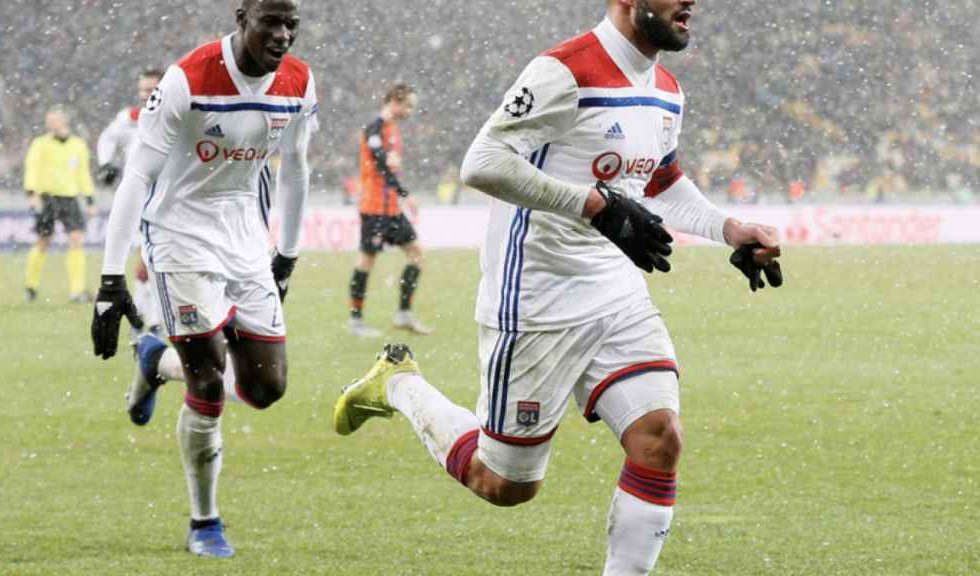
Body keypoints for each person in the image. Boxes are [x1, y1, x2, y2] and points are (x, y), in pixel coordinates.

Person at [333, 1, 783, 574]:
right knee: (503, 484)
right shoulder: (565, 70)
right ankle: (398, 384)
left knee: (660, 437)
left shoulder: (666, 87)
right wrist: (591, 204)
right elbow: (483, 162)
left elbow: (661, 183)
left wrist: (729, 228)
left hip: (616, 292)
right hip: (535, 298)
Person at [89, 0, 317, 559]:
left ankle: (153, 360)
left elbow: (297, 170)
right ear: (242, 18)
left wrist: (286, 255)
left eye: (292, 23)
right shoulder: (187, 77)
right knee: (208, 380)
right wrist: (111, 280)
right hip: (180, 236)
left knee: (266, 389)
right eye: (271, 21)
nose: (283, 34)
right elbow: (138, 174)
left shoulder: (299, 80)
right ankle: (204, 521)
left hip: (245, 238)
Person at [347, 83, 431, 337]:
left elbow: (389, 166)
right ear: (395, 101)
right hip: (374, 207)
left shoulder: (393, 129)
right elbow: (381, 165)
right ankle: (356, 321)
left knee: (417, 254)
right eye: (408, 105)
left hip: (392, 209)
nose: (410, 111)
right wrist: (406, 194)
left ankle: (403, 314)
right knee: (366, 260)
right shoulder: (376, 127)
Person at [96, 69, 164, 333]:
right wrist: (105, 164)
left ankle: (145, 320)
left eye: (151, 90)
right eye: (143, 90)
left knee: (153, 262)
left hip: (170, 199)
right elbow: (106, 138)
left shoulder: (177, 116)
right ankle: (150, 322)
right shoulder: (130, 119)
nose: (146, 95)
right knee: (146, 259)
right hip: (138, 200)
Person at [23, 108, 97, 303]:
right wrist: (31, 193)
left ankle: (77, 290)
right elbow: (32, 169)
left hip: (70, 199)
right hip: (48, 198)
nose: (51, 124)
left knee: (76, 239)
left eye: (54, 120)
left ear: (64, 121)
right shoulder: (40, 144)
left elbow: (83, 174)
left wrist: (89, 200)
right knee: (43, 241)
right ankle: (31, 285)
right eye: (49, 121)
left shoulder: (78, 145)